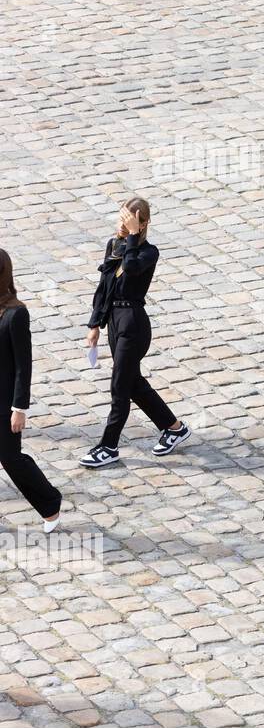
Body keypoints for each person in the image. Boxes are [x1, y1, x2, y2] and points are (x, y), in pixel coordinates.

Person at [80, 197, 190, 469]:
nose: (122, 225)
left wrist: (131, 237)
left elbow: (130, 268)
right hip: (115, 324)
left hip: (133, 324)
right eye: (120, 219)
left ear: (143, 224)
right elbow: (103, 287)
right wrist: (95, 324)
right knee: (133, 383)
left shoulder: (148, 252)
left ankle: (108, 446)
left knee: (120, 386)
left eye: (128, 221)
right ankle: (173, 427)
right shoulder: (114, 245)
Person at [0, 250, 62, 531]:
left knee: (12, 458)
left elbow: (24, 366)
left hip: (5, 402)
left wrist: (19, 408)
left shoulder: (16, 314)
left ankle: (50, 503)